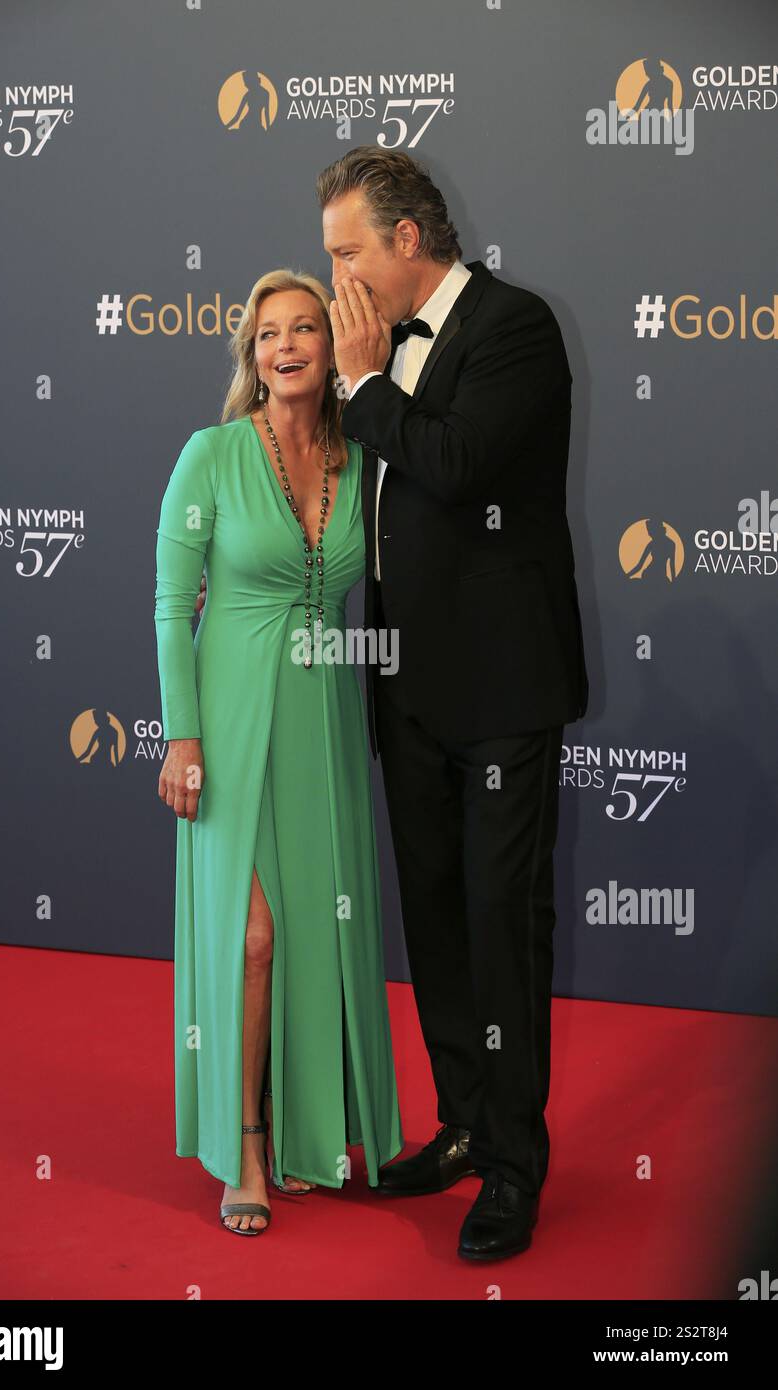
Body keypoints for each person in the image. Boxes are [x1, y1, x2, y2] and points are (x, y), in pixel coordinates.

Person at [317, 145, 589, 1261]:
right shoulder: (367, 350)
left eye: (346, 252)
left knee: (498, 927)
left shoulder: (514, 326)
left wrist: (365, 384)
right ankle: (465, 1126)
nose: (334, 275)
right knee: (432, 923)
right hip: (408, 691)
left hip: (501, 693)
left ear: (408, 241)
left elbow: (460, 463)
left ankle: (515, 1168)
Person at [153, 268, 403, 1236]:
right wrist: (181, 736)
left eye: (305, 328)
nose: (287, 345)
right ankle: (246, 1142)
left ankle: (309, 1132)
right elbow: (174, 606)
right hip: (228, 717)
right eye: (268, 335)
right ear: (250, 357)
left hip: (322, 720)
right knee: (252, 937)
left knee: (318, 928)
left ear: (331, 346)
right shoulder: (209, 456)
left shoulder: (357, 456)